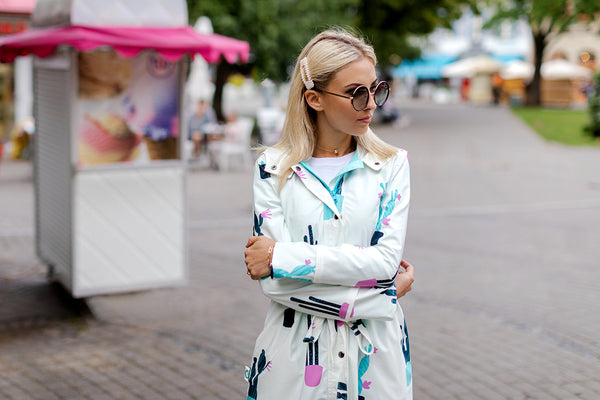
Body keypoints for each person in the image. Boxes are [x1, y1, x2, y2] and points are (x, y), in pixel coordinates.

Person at [243, 28, 414, 400]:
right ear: (314, 98)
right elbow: (276, 285)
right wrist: (380, 299)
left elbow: (385, 263)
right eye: (356, 93)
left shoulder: (391, 166)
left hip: (374, 365)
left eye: (375, 89)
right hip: (293, 365)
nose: (371, 104)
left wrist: (280, 256)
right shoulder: (272, 168)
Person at [188, 99, 219, 165]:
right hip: (195, 136)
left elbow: (211, 125)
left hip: (205, 136)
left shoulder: (206, 116)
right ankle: (196, 156)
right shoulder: (192, 117)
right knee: (196, 137)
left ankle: (213, 160)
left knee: (213, 138)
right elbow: (191, 129)